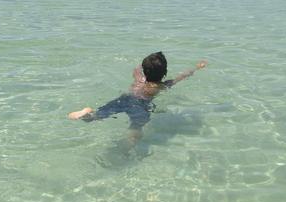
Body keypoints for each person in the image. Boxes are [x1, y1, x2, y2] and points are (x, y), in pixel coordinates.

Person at [68, 52, 207, 144]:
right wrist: (197, 68)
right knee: (136, 126)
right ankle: (128, 148)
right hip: (140, 105)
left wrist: (144, 64)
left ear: (144, 70)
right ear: (164, 73)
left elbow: (137, 69)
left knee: (98, 115)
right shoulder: (162, 85)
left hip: (125, 98)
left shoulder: (139, 78)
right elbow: (183, 76)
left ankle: (87, 113)